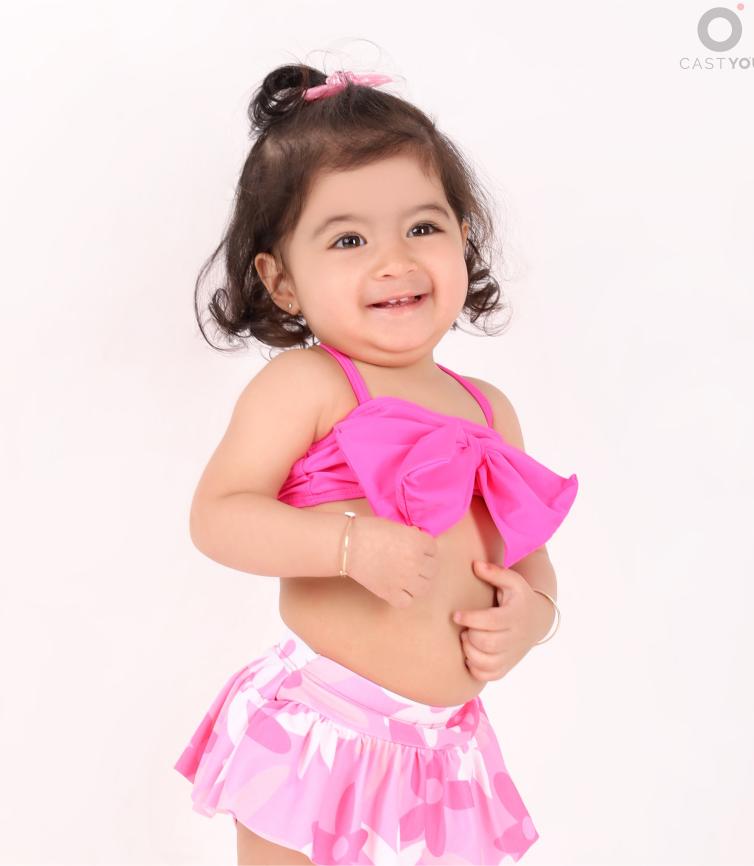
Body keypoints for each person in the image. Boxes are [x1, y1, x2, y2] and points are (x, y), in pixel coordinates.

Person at [174, 63, 579, 866]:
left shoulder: (489, 408)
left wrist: (535, 617)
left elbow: (526, 553)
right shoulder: (312, 385)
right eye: (350, 240)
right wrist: (348, 546)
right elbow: (218, 517)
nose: (394, 261)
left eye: (423, 228)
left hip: (445, 748)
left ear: (464, 238)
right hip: (325, 726)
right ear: (281, 280)